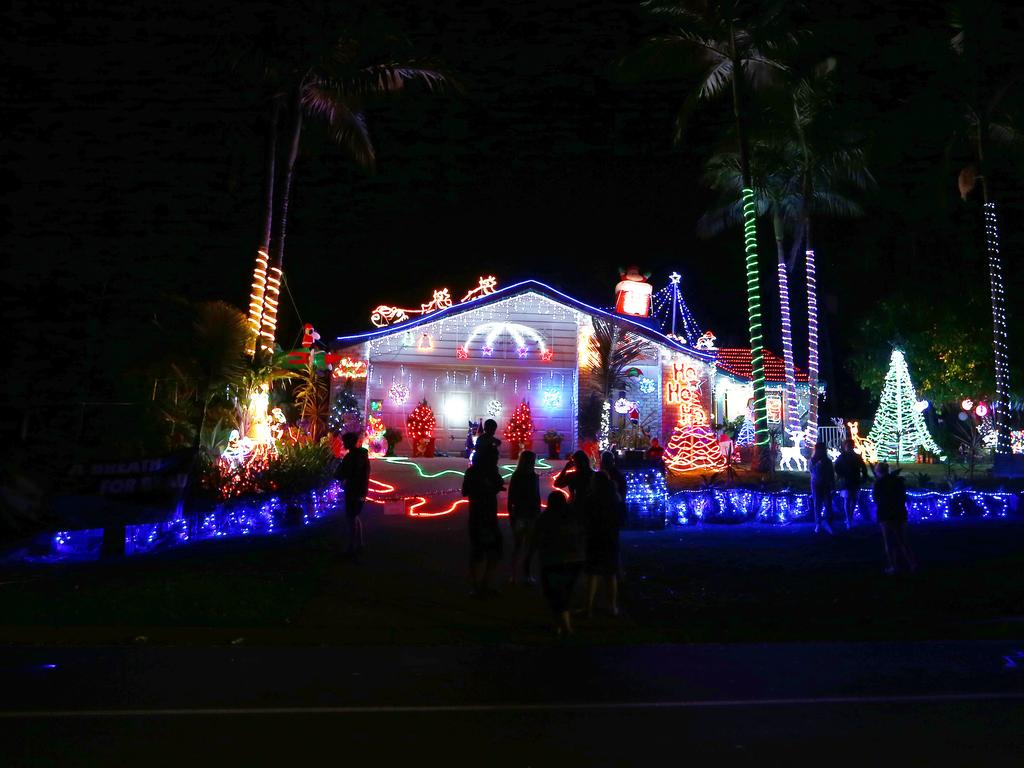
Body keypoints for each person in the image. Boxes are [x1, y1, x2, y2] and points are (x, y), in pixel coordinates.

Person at [535, 491, 586, 635]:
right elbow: (582, 534)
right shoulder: (573, 517)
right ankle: (563, 625)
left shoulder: (545, 518)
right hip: (574, 560)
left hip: (553, 561)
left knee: (555, 593)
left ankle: (562, 626)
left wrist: (532, 553)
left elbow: (537, 538)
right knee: (566, 592)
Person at [461, 445, 505, 597]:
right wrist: (486, 486)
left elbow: (464, 491)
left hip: (483, 515)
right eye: (496, 456)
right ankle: (478, 586)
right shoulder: (483, 472)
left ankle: (482, 584)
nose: (497, 459)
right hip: (482, 515)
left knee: (490, 550)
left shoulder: (474, 471)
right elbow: (466, 490)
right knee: (483, 550)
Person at [584, 470, 625, 617]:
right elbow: (622, 518)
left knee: (593, 573)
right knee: (610, 573)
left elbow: (585, 517)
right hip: (611, 538)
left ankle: (589, 607)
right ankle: (612, 607)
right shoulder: (616, 498)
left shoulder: (592, 498)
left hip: (595, 537)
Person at [873, 462, 917, 575]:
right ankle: (912, 564)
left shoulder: (878, 483)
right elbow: (903, 496)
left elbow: (876, 498)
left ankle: (894, 566)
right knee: (902, 540)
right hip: (899, 512)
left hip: (885, 514)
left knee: (888, 541)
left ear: (878, 472)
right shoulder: (897, 481)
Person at [507, 450, 541, 584]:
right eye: (533, 460)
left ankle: (525, 573)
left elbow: (537, 496)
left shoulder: (533, 476)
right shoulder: (519, 476)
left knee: (529, 545)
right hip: (522, 513)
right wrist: (512, 514)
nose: (534, 462)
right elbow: (512, 496)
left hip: (530, 514)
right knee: (519, 545)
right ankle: (514, 574)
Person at [335, 431, 370, 555]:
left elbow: (342, 473)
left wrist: (337, 472)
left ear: (350, 442)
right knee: (355, 516)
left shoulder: (351, 457)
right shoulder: (362, 455)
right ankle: (359, 543)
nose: (343, 444)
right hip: (361, 489)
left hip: (354, 490)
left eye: (344, 442)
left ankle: (351, 546)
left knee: (351, 517)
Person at [834, 439, 869, 528]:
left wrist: (864, 477)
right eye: (847, 446)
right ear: (845, 446)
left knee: (852, 499)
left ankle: (849, 517)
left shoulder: (856, 457)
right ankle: (848, 518)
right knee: (848, 499)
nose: (849, 447)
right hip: (847, 481)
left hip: (854, 480)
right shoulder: (843, 457)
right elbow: (837, 467)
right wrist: (840, 475)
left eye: (850, 446)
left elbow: (863, 468)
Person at [810, 441, 836, 534]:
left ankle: (828, 522)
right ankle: (818, 523)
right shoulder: (813, 460)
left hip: (826, 484)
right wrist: (818, 465)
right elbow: (812, 471)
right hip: (816, 485)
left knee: (828, 504)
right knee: (817, 504)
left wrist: (833, 484)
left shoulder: (827, 461)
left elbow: (831, 473)